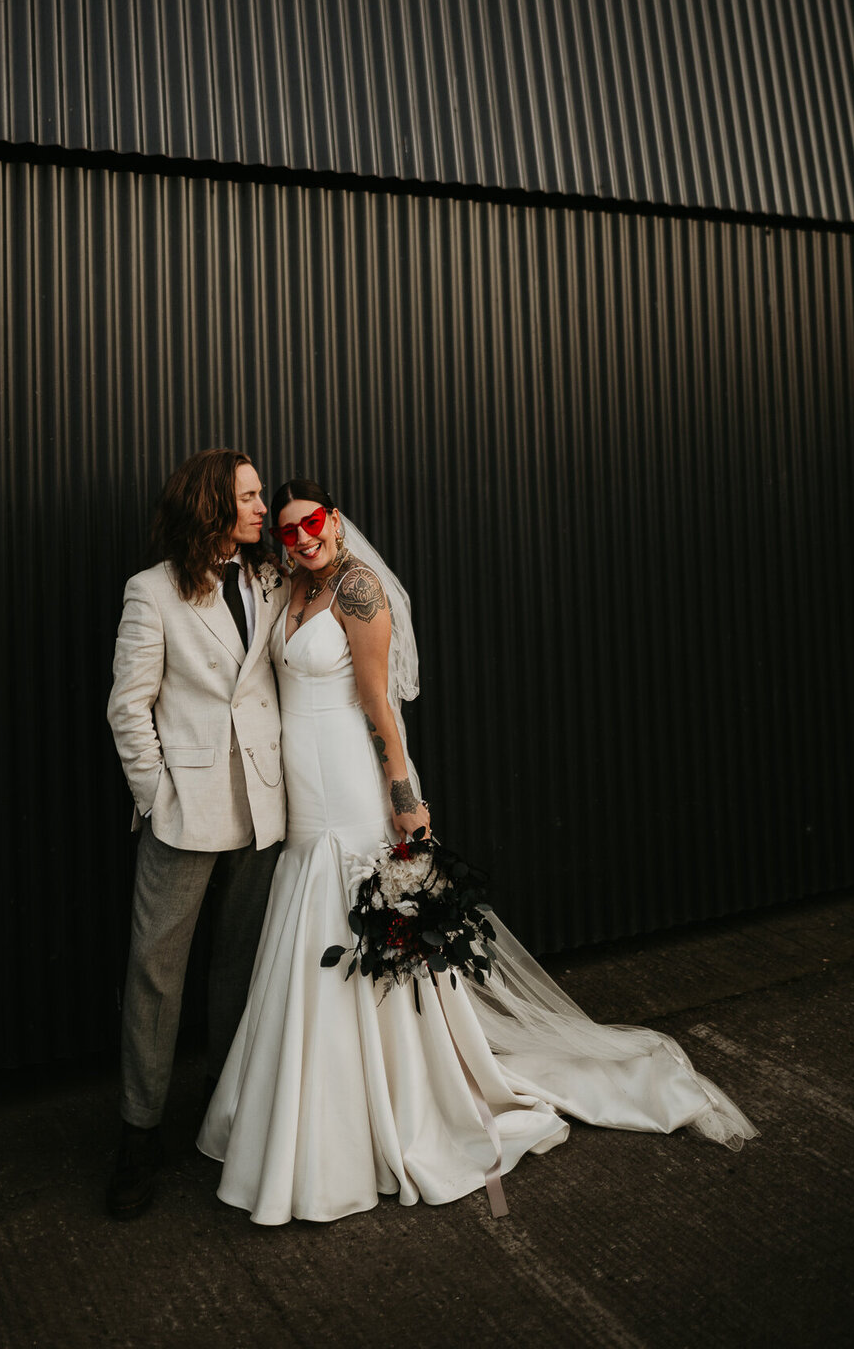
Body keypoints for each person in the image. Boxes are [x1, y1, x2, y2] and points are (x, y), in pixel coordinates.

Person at [198, 477, 758, 1226]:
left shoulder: (359, 592)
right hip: (300, 796)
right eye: (290, 530)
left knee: (351, 931)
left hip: (347, 786)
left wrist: (406, 802)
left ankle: (384, 1108)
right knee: (308, 930)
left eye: (316, 523)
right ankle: (307, 1100)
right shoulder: (290, 588)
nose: (304, 538)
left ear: (338, 519)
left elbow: (378, 709)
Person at [106, 449, 287, 1218]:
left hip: (266, 806)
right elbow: (128, 708)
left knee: (239, 968)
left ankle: (224, 1115)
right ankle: (137, 1138)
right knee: (156, 974)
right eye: (246, 496)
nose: (260, 508)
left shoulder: (269, 579)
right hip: (186, 811)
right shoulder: (151, 591)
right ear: (210, 504)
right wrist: (158, 795)